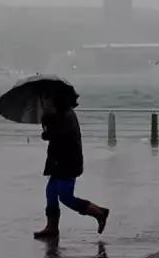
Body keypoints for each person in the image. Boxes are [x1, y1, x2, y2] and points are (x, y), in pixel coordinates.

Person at [33, 94, 110, 239]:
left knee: (65, 197)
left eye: (50, 103)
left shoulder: (66, 117)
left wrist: (48, 127)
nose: (47, 105)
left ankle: (98, 212)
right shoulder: (60, 115)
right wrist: (46, 120)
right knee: (51, 192)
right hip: (58, 162)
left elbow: (60, 136)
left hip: (67, 162)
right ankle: (52, 227)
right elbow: (52, 133)